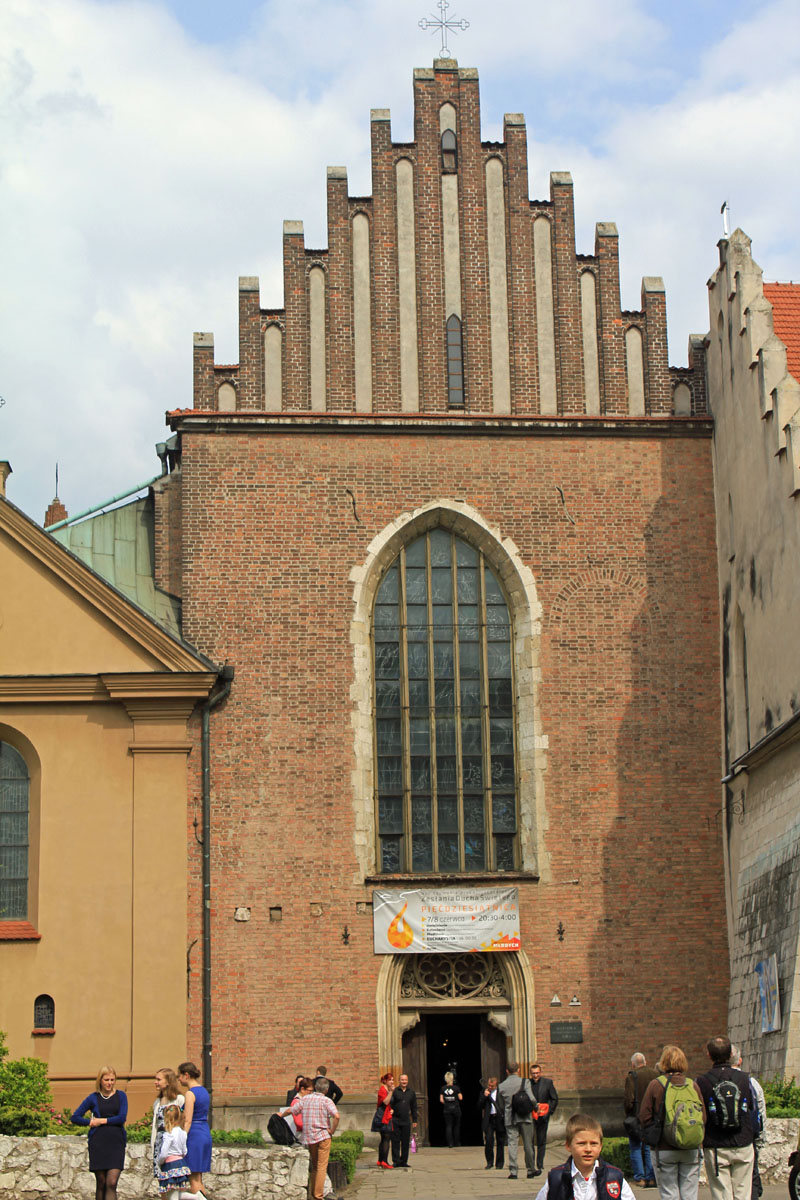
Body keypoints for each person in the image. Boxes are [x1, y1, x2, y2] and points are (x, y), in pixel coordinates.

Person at [639, 1044, 705, 1200]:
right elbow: (703, 1116)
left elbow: (644, 1116)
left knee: (669, 1193)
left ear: (663, 1063)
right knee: (690, 1194)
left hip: (664, 1147)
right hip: (691, 1147)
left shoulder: (656, 1085)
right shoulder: (692, 1085)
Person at [696, 1036, 755, 1200]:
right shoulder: (744, 1078)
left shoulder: (702, 1081)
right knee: (743, 1193)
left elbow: (701, 1112)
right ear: (731, 1055)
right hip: (743, 1141)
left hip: (716, 1144)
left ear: (708, 1055)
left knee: (722, 1194)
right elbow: (750, 1107)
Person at [534, 1112, 637, 1200]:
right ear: (568, 1146)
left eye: (593, 1144)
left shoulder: (613, 1177)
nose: (588, 1149)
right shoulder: (556, 1178)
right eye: (581, 1143)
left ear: (600, 1146)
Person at [71, 1065, 128, 1200]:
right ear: (100, 1080)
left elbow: (121, 1117)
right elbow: (75, 1117)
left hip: (116, 1142)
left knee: (112, 1182)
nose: (109, 1083)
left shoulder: (121, 1096)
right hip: (99, 1143)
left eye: (112, 1080)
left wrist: (101, 1121)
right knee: (101, 1183)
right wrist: (89, 1122)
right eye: (106, 1080)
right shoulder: (93, 1098)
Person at [291, 1075, 340, 1200]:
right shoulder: (327, 1101)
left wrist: (281, 1114)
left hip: (310, 1136)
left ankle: (314, 1193)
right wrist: (332, 1130)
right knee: (322, 1166)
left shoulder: (306, 1099)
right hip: (323, 1135)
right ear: (326, 1090)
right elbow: (337, 1116)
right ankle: (318, 1195)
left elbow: (293, 1110)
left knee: (314, 1165)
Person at [730, 1044, 766, 1199]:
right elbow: (761, 1112)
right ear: (740, 1061)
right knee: (750, 1180)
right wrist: (760, 1139)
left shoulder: (713, 1080)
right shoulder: (751, 1082)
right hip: (747, 1138)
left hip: (721, 1141)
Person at [177, 1061, 212, 1197]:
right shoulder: (204, 1091)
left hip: (194, 1135)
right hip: (204, 1132)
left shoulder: (190, 1094)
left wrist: (182, 1138)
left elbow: (188, 1120)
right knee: (198, 1178)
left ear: (186, 1075)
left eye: (179, 1076)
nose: (179, 1079)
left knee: (193, 1179)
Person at [498, 1059, 537, 1179]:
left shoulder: (501, 1086)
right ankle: (530, 1169)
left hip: (510, 1118)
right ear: (518, 1070)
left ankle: (514, 1171)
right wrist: (536, 1107)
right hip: (525, 1117)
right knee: (528, 1144)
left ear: (507, 1071)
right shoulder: (525, 1082)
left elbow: (500, 1105)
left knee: (512, 1144)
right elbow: (532, 1099)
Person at [625, 1052, 659, 1187]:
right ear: (645, 1061)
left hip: (636, 1117)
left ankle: (640, 1178)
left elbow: (628, 1099)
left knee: (635, 1147)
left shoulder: (632, 1076)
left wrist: (628, 1113)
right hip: (652, 1117)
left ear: (633, 1064)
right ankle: (651, 1177)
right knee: (649, 1148)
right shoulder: (655, 1075)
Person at [150, 1069, 185, 1180]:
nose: (156, 1082)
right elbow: (156, 1126)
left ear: (168, 1082)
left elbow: (182, 1122)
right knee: (162, 1181)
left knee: (173, 1181)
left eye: (159, 1079)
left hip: (172, 1147)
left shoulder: (179, 1099)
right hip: (159, 1144)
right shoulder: (157, 1101)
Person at [156, 1102, 192, 1199]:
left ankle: (196, 1197)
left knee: (172, 1195)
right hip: (181, 1163)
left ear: (169, 1120)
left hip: (170, 1165)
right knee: (178, 1193)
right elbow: (185, 1151)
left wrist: (159, 1162)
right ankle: (196, 1196)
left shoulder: (169, 1134)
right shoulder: (183, 1133)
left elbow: (163, 1153)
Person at [530, 1062, 559, 1175]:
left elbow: (554, 1099)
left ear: (540, 1073)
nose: (535, 1075)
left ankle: (540, 1163)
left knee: (541, 1141)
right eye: (533, 1073)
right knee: (530, 1141)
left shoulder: (547, 1083)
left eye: (537, 1073)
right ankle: (531, 1163)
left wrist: (549, 1111)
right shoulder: (527, 1083)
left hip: (543, 1115)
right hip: (531, 1116)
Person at [389, 1073, 418, 1168]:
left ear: (407, 1081)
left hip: (406, 1121)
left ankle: (404, 1161)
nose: (404, 1082)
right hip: (396, 1120)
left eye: (405, 1080)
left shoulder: (411, 1092)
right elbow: (390, 1103)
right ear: (399, 1081)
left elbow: (414, 1107)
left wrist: (415, 1120)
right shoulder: (395, 1091)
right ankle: (396, 1161)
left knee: (405, 1142)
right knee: (395, 1141)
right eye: (402, 1080)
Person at [479, 1075, 505, 1170]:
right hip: (489, 1119)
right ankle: (489, 1162)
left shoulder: (501, 1093)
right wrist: (484, 1097)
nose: (490, 1087)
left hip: (498, 1118)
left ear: (496, 1085)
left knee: (500, 1141)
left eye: (492, 1086)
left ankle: (499, 1163)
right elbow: (479, 1105)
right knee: (489, 1141)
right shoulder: (484, 1092)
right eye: (489, 1085)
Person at [375, 1071, 395, 1169]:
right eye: (390, 1080)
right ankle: (384, 1161)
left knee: (384, 1139)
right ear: (385, 1081)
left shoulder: (386, 1090)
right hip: (383, 1117)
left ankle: (380, 1160)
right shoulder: (383, 1090)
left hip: (386, 1115)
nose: (392, 1081)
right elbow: (386, 1102)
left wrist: (392, 1110)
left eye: (392, 1080)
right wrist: (391, 1091)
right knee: (386, 1138)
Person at [440, 1070, 463, 1147]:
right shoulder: (456, 1088)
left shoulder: (443, 1088)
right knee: (456, 1126)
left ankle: (450, 1143)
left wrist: (447, 1102)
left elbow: (441, 1099)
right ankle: (457, 1142)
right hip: (456, 1108)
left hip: (447, 1109)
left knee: (448, 1126)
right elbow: (460, 1098)